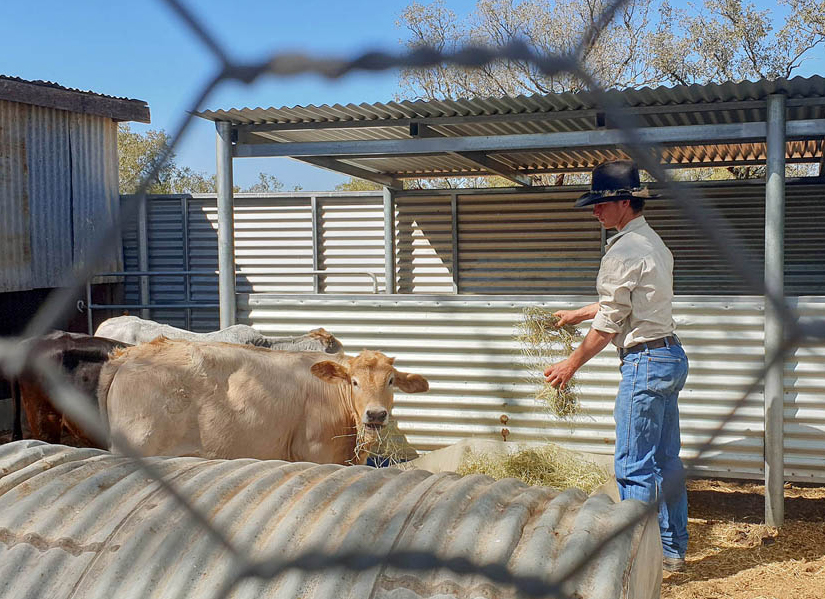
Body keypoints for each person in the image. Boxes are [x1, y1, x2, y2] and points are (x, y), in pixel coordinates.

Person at [543, 160, 689, 573]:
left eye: (600, 204)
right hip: (670, 356)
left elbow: (608, 326)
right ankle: (672, 551)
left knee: (633, 465)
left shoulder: (621, 250)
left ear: (624, 202)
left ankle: (638, 561)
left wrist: (569, 365)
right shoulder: (653, 243)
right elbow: (627, 303)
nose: (595, 212)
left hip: (644, 363)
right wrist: (577, 314)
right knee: (666, 461)